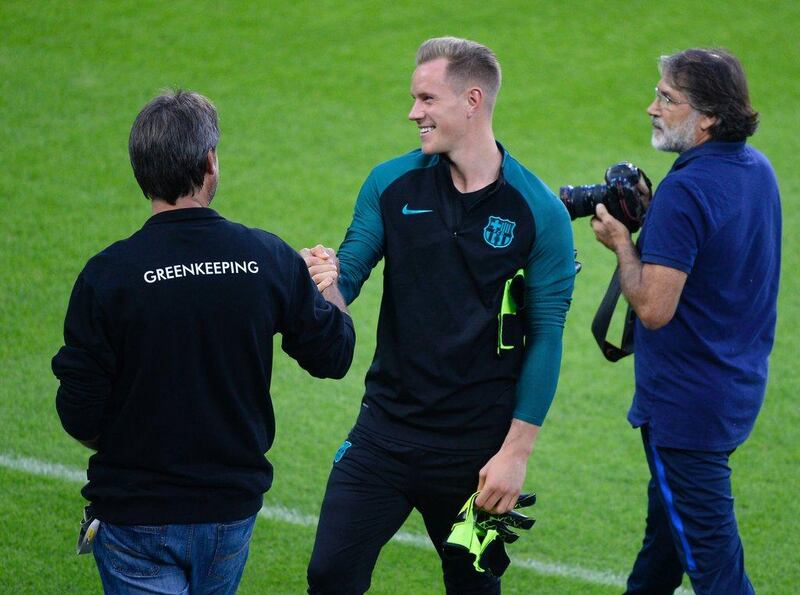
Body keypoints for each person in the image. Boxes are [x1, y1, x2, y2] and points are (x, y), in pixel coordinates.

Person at [51, 90, 355, 594]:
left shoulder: (108, 277)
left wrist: (139, 445)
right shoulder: (267, 259)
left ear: (141, 168)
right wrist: (327, 286)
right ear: (210, 162)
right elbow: (335, 354)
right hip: (228, 513)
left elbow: (78, 413)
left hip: (135, 513)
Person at [303, 37, 575, 594]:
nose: (413, 113)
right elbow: (348, 276)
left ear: (472, 100)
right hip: (383, 433)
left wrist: (514, 456)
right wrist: (325, 277)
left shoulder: (539, 212)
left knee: (474, 589)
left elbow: (547, 337)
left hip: (477, 456)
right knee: (329, 575)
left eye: (427, 99)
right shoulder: (389, 183)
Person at [591, 49, 781, 594]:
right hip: (734, 391)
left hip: (686, 413)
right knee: (664, 547)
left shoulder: (686, 190)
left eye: (667, 99)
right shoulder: (757, 170)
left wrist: (624, 246)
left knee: (717, 575)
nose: (651, 107)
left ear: (709, 117)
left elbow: (652, 308)